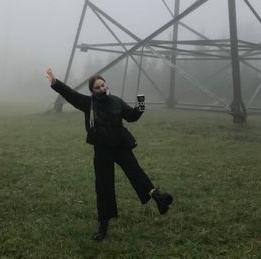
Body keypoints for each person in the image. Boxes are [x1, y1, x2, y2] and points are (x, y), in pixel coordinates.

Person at [46, 68, 173, 241]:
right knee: (104, 186)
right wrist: (55, 82)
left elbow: (132, 117)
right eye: (97, 88)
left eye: (103, 85)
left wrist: (141, 105)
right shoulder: (87, 103)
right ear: (92, 90)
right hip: (102, 149)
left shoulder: (116, 101)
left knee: (136, 172)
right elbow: (70, 94)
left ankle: (159, 198)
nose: (101, 89)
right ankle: (103, 225)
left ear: (106, 85)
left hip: (120, 145)